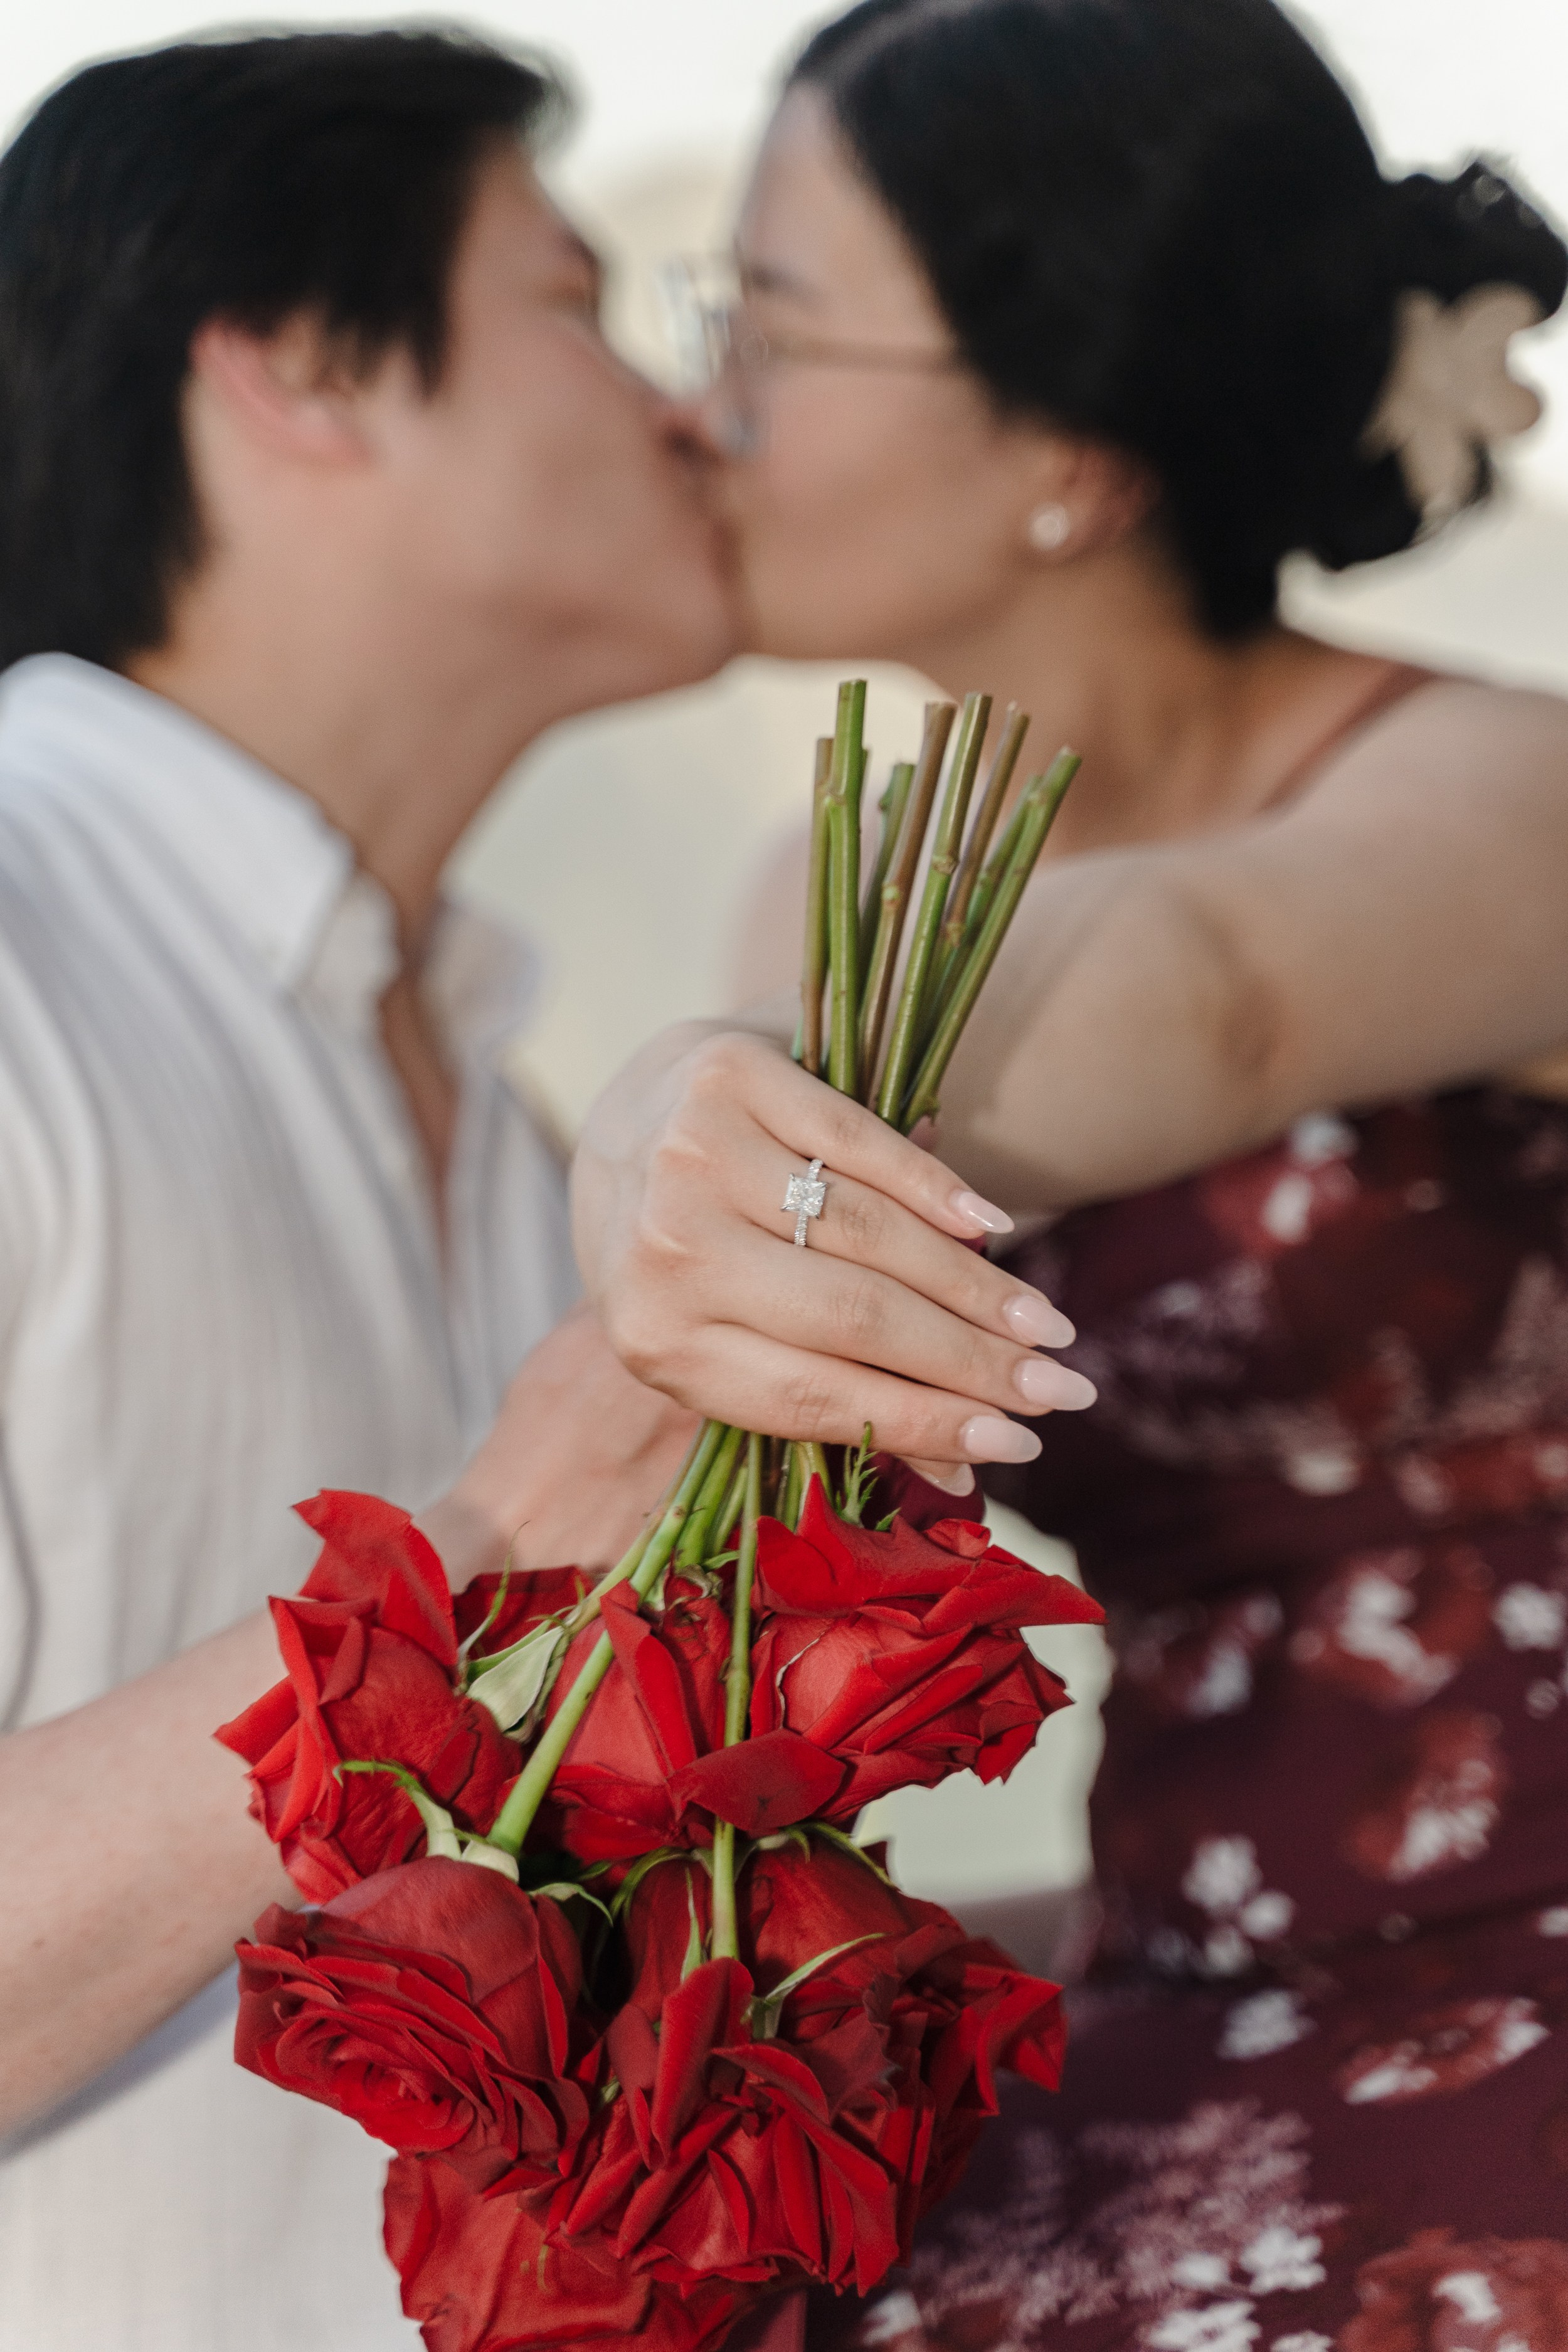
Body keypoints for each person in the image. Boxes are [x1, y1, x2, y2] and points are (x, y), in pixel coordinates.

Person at [573, 0, 1568, 2338]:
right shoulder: (796, 906)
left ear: (1066, 454)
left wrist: (696, 1105)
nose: (705, 402)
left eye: (772, 322)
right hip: (1193, 1956)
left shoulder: (1500, 792)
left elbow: (1219, 986)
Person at [0, 28, 748, 2350]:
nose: (680, 408)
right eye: (574, 299)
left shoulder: (511, 1106)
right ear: (304, 368)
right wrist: (501, 1545)